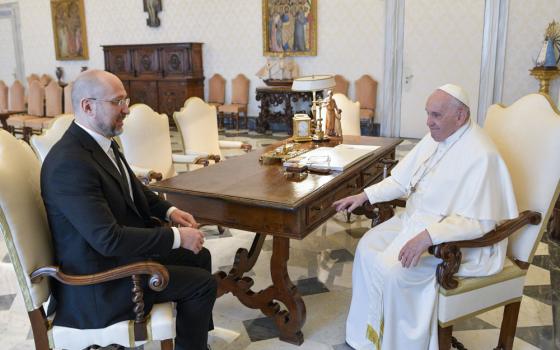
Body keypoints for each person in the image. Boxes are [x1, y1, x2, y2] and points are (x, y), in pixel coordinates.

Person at [41, 69, 216, 350]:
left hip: (116, 262)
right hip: (98, 286)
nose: (126, 110)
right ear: (88, 106)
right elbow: (108, 240)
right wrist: (177, 237)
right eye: (117, 102)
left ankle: (194, 343)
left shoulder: (99, 142)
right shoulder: (69, 164)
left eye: (126, 100)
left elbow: (135, 190)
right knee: (202, 284)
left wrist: (169, 212)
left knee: (199, 257)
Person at [333, 84, 518, 349]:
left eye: (436, 115)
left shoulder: (482, 154)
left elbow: (481, 222)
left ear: (461, 116)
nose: (428, 122)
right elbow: (400, 180)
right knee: (366, 248)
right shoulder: (437, 136)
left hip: (455, 241)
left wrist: (428, 238)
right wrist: (365, 196)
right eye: (427, 113)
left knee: (396, 271)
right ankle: (368, 338)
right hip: (415, 220)